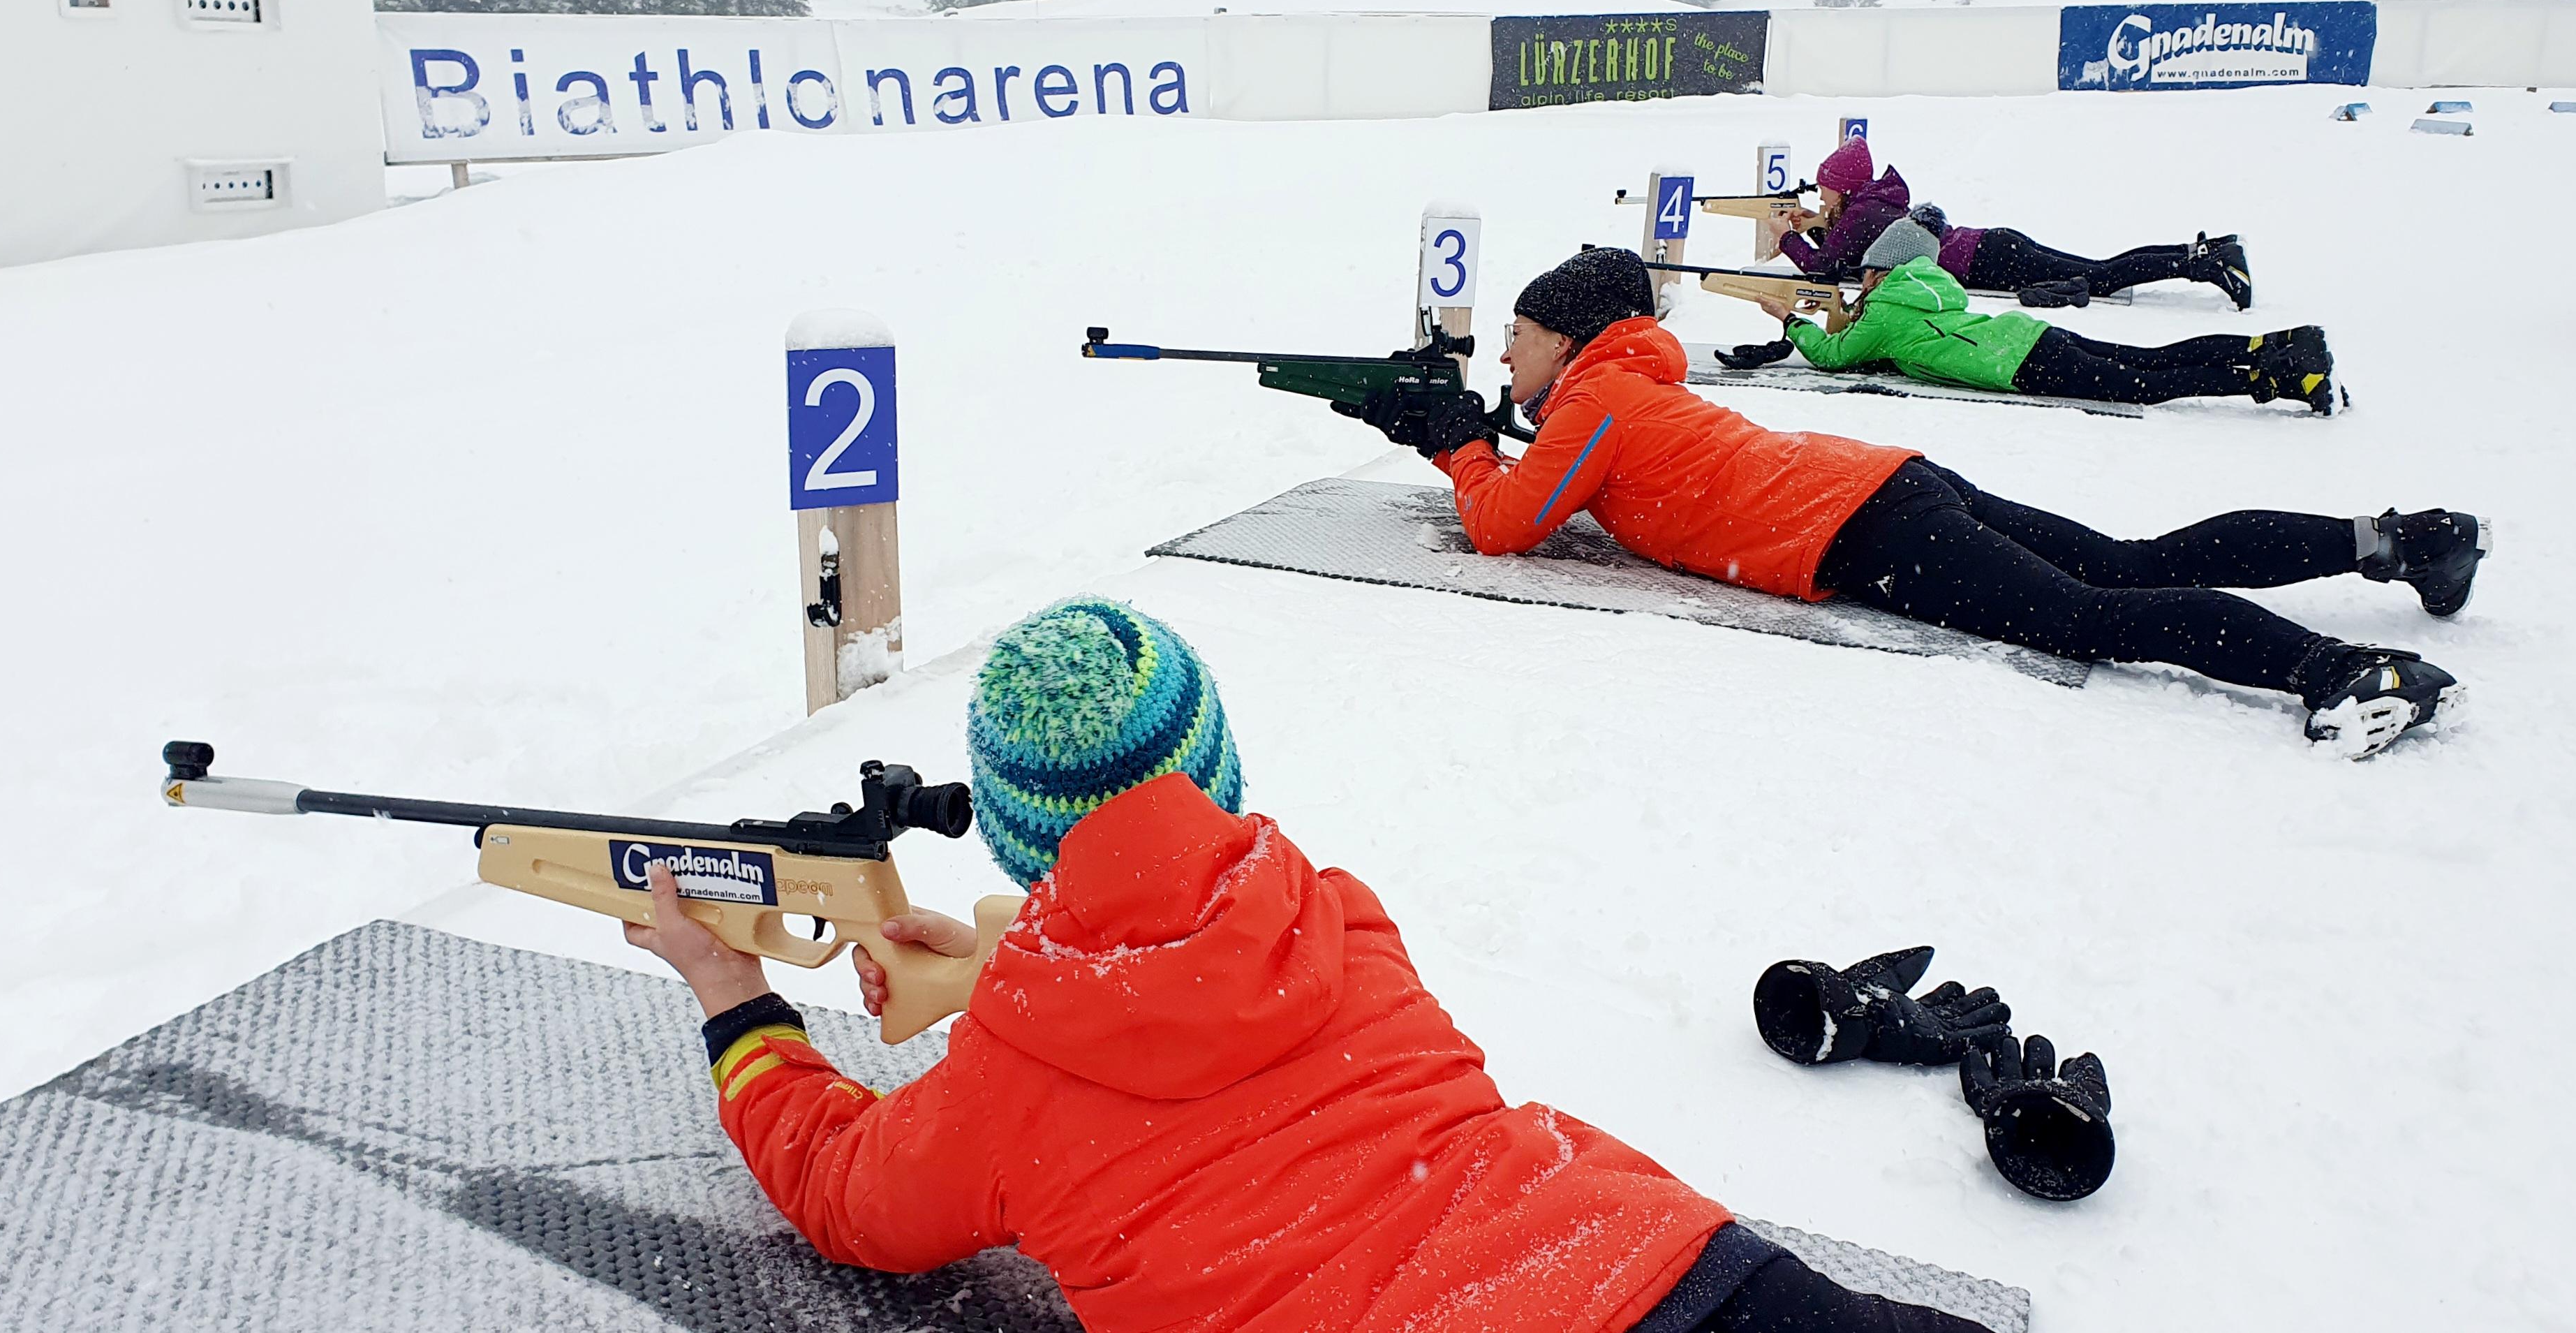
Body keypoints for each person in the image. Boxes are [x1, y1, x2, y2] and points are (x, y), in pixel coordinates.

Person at [627, 597, 2009, 1333]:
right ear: (1215, 774)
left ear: (1009, 836)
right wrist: (996, 971)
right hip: (1666, 1268)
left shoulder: (1004, 1081)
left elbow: (846, 1194)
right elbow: (1176, 982)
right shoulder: (1331, 913)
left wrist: (726, 988)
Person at [1365, 246, 2482, 758]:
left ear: (1564, 337)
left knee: (2090, 615)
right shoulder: (1625, 383)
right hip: (1880, 482)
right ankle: (2395, 540)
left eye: (1516, 334)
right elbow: (1539, 481)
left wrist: (1455, 445)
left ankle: (2337, 672)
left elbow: (1507, 525)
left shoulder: (1597, 393)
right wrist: (1461, 437)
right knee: (2126, 557)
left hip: (1855, 527)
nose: (1505, 350)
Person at [1738, 219, 2336, 413]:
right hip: (2026, 335)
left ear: (1879, 272)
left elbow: (1835, 357)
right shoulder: (1928, 288)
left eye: (1867, 271)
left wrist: (1787, 319)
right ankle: (2276, 345)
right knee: (2149, 360)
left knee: (2147, 386)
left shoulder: (1887, 311)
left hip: (2018, 365)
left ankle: (2280, 378)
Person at [1763, 137, 2253, 309]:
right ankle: (2201, 256)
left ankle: (2203, 263)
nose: (1820, 193)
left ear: (1844, 187)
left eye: (1826, 187)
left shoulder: (1862, 213)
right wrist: (1815, 226)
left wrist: (1787, 235)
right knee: (2098, 269)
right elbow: (1853, 248)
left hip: (1988, 261)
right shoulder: (1871, 203)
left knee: (2100, 276)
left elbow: (1825, 270)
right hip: (1991, 245)